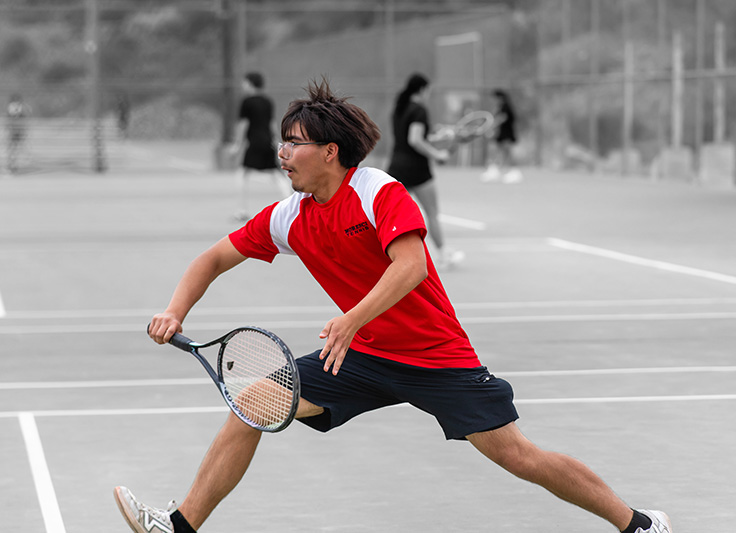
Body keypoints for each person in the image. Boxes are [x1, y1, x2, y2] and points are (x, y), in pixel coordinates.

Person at [114, 79, 672, 533]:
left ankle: (640, 525)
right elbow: (213, 258)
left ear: (329, 152)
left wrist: (353, 317)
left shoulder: (377, 191)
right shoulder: (289, 216)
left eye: (295, 143)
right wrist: (175, 310)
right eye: (281, 142)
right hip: (359, 356)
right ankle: (179, 527)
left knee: (517, 456)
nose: (283, 153)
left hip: (434, 356)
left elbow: (413, 267)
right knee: (254, 403)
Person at [387, 73, 464, 270]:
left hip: (396, 166)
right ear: (422, 89)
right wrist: (437, 155)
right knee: (432, 213)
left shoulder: (399, 108)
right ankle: (443, 255)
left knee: (388, 216)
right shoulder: (419, 109)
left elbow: (414, 138)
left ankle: (378, 256)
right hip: (417, 170)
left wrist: (439, 138)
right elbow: (415, 140)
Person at [228, 71, 290, 221]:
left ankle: (241, 211)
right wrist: (275, 140)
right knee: (277, 174)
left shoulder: (247, 102)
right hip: (267, 141)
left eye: (245, 83)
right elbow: (271, 123)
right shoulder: (267, 101)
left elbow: (243, 124)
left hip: (255, 143)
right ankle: (292, 206)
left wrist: (237, 145)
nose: (243, 85)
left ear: (250, 84)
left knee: (242, 174)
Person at [482, 88, 523, 184]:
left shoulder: (505, 106)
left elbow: (502, 118)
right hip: (501, 133)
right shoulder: (500, 106)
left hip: (506, 133)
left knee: (507, 151)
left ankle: (514, 171)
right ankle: (496, 169)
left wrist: (491, 127)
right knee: (499, 151)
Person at [5, 93, 28, 174]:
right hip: (17, 129)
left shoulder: (13, 106)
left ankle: (12, 166)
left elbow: (10, 117)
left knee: (13, 149)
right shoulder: (20, 106)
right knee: (15, 149)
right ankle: (13, 166)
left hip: (15, 129)